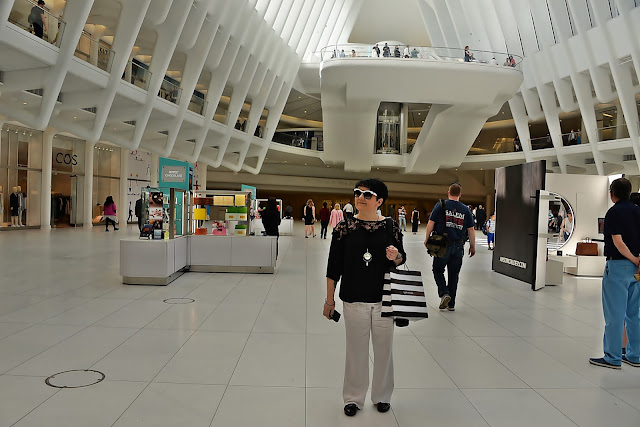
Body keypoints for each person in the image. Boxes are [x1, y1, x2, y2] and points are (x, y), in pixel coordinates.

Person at [324, 178, 406, 417]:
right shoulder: (344, 229)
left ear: (379, 201)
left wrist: (396, 255)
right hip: (354, 299)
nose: (360, 197)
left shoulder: (391, 227)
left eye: (367, 194)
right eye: (357, 193)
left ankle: (382, 395)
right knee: (356, 350)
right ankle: (353, 397)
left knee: (384, 350)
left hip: (385, 299)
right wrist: (329, 301)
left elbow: (403, 259)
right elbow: (332, 268)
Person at [589, 178, 640, 369]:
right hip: (637, 268)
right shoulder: (637, 211)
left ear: (612, 193)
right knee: (634, 313)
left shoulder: (614, 212)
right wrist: (638, 260)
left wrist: (632, 259)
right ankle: (635, 355)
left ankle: (612, 356)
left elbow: (618, 242)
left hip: (619, 266)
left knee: (615, 314)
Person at [425, 183, 475, 311]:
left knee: (437, 270)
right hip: (459, 245)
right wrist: (472, 246)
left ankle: (444, 293)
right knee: (454, 274)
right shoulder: (465, 209)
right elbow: (471, 230)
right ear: (460, 194)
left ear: (448, 193)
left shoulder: (441, 205)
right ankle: (451, 304)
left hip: (442, 245)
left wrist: (427, 238)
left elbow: (431, 223)